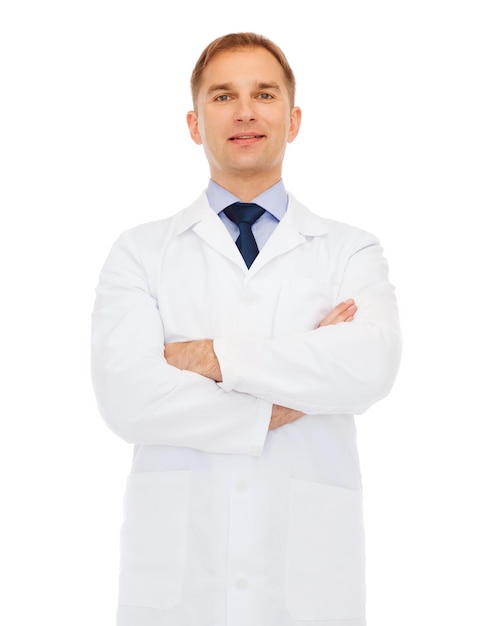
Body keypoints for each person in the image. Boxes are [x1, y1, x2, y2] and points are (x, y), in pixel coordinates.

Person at [91, 32, 401, 626]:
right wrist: (291, 391)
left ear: (294, 118)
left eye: (264, 93)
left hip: (307, 582)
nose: (244, 112)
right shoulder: (140, 252)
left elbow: (371, 363)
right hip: (180, 581)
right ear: (192, 122)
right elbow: (126, 398)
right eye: (222, 96)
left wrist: (206, 357)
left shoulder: (349, 250)